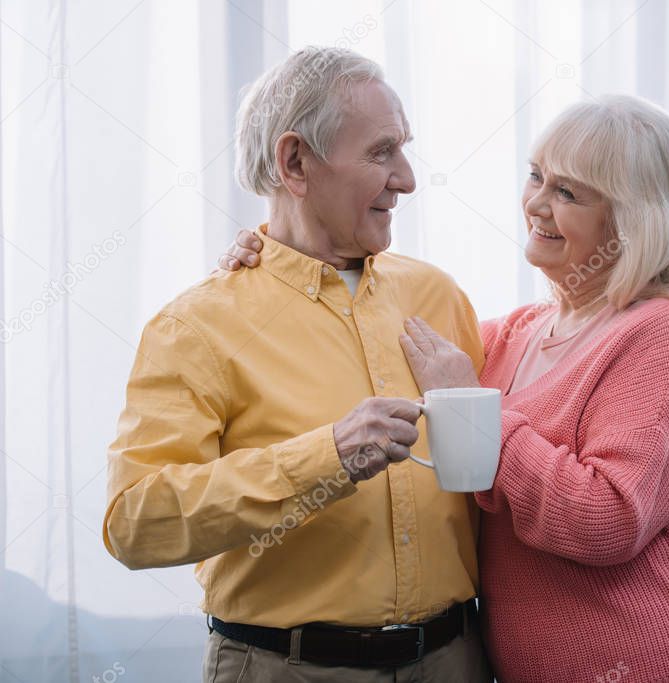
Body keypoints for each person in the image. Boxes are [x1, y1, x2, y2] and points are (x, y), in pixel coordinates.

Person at [228, 97, 669, 681]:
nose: (536, 204)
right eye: (537, 176)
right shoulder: (515, 334)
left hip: (660, 663)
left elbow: (607, 520)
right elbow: (364, 350)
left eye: (569, 193)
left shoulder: (668, 334)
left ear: (631, 220)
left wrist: (474, 413)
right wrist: (274, 260)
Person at [105, 47, 492, 682]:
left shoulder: (439, 297)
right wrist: (326, 457)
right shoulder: (197, 325)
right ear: (295, 163)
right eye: (380, 152)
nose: (408, 178)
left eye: (404, 148)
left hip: (456, 661)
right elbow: (135, 523)